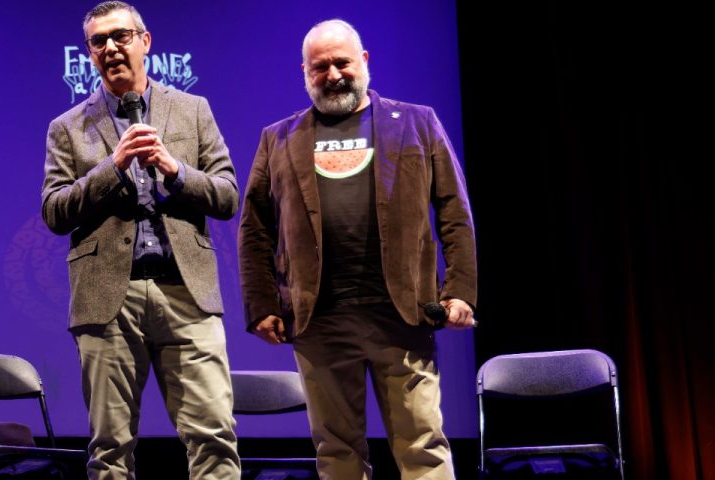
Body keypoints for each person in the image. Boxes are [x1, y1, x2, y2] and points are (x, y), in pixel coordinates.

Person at [238, 19, 477, 480]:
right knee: (337, 454)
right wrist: (262, 305)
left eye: (342, 63)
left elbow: (454, 212)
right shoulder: (278, 138)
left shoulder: (418, 122)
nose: (333, 75)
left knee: (423, 447)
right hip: (319, 321)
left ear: (364, 61)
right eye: (320, 67)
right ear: (305, 72)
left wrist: (460, 291)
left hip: (402, 316)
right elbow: (254, 230)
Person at [40, 2, 241, 478]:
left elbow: (227, 195)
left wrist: (175, 170)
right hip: (108, 296)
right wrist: (112, 167)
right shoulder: (67, 127)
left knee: (213, 438)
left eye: (121, 36)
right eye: (99, 41)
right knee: (110, 449)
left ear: (145, 42)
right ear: (89, 53)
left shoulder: (192, 109)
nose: (111, 48)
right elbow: (54, 211)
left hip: (186, 292)